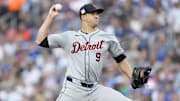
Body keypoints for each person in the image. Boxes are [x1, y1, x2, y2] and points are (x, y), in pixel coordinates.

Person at [35, 3, 134, 101]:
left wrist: (131, 77)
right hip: (73, 89)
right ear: (84, 17)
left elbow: (120, 58)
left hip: (94, 90)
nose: (97, 16)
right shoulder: (69, 37)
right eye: (93, 14)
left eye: (98, 14)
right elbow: (40, 40)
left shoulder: (107, 38)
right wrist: (50, 17)